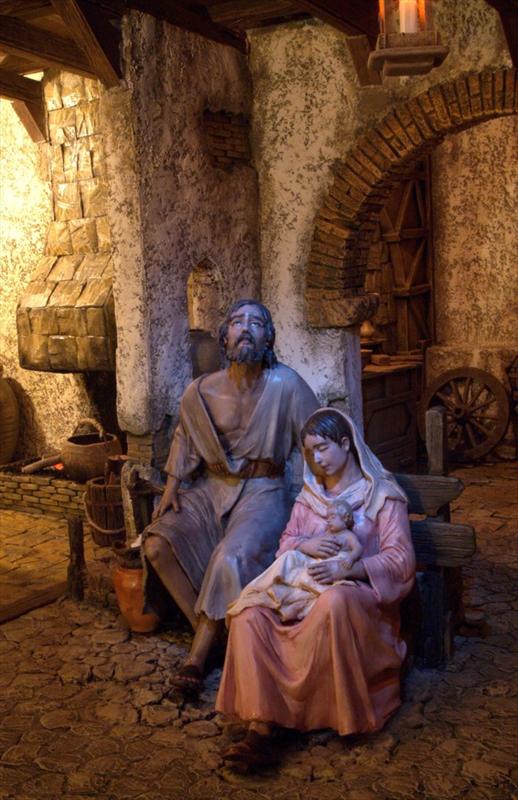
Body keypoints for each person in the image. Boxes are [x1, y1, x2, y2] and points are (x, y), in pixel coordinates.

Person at [216, 408, 416, 769]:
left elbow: (401, 560)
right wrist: (304, 544)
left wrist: (351, 568)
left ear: (346, 443)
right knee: (249, 615)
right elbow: (286, 546)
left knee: (333, 602)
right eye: (310, 452)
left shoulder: (382, 497)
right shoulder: (309, 499)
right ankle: (262, 726)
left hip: (358, 597)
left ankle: (329, 711)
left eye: (323, 448)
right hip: (300, 592)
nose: (317, 459)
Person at [143, 299, 318, 696]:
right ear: (225, 338)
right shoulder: (202, 391)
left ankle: (197, 658)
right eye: (238, 322)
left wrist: (326, 498)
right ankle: (216, 637)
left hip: (264, 490)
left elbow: (318, 438)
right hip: (210, 489)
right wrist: (171, 490)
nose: (246, 328)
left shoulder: (287, 386)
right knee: (157, 545)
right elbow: (185, 437)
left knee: (230, 558)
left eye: (257, 322)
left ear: (268, 337)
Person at [226, 498, 362, 623]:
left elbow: (358, 548)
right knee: (289, 556)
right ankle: (258, 587)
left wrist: (350, 559)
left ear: (345, 518)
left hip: (330, 569)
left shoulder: (348, 536)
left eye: (332, 517)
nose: (328, 521)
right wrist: (306, 544)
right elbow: (288, 540)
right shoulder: (308, 504)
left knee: (322, 588)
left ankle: (292, 601)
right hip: (314, 561)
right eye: (327, 518)